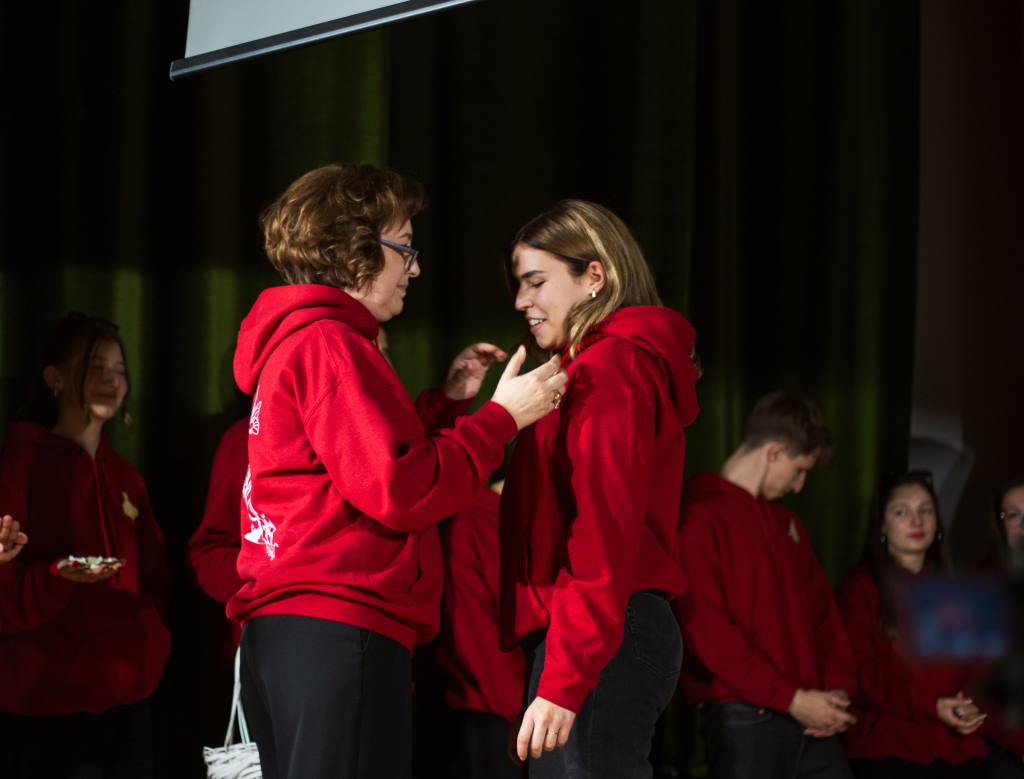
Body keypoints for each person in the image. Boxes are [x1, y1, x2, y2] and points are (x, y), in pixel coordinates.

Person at [230, 163, 565, 779]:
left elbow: (354, 466)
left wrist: (444, 408)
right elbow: (399, 487)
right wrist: (501, 419)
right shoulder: (330, 343)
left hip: (301, 629)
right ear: (351, 251)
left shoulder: (305, 341)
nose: (414, 268)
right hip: (336, 625)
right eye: (404, 248)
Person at [499, 199, 699, 777]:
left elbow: (602, 534)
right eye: (519, 285)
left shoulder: (610, 368)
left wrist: (565, 678)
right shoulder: (585, 368)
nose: (521, 301)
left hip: (602, 635)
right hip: (595, 634)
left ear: (594, 276)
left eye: (536, 281)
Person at [0, 313, 170, 779]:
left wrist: (151, 640)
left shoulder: (126, 478)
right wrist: (58, 578)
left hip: (125, 705)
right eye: (96, 368)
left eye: (119, 370)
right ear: (54, 378)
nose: (111, 381)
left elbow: (156, 579)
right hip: (44, 710)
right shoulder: (19, 468)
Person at [675, 391, 856, 779]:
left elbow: (825, 619)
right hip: (745, 717)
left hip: (811, 717)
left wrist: (836, 692)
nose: (799, 486)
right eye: (799, 471)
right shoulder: (699, 518)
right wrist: (790, 698)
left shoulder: (789, 526)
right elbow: (707, 631)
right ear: (774, 452)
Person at [839, 472, 1024, 778]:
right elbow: (862, 674)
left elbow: (980, 670)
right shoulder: (861, 589)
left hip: (958, 745)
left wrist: (972, 706)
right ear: (882, 525)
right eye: (902, 512)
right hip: (890, 744)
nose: (917, 521)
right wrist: (933, 705)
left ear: (937, 522)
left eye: (925, 511)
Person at [434, 479, 526, 779]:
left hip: (521, 714)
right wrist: (520, 708)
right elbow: (476, 638)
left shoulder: (494, 518)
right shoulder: (475, 523)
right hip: (496, 718)